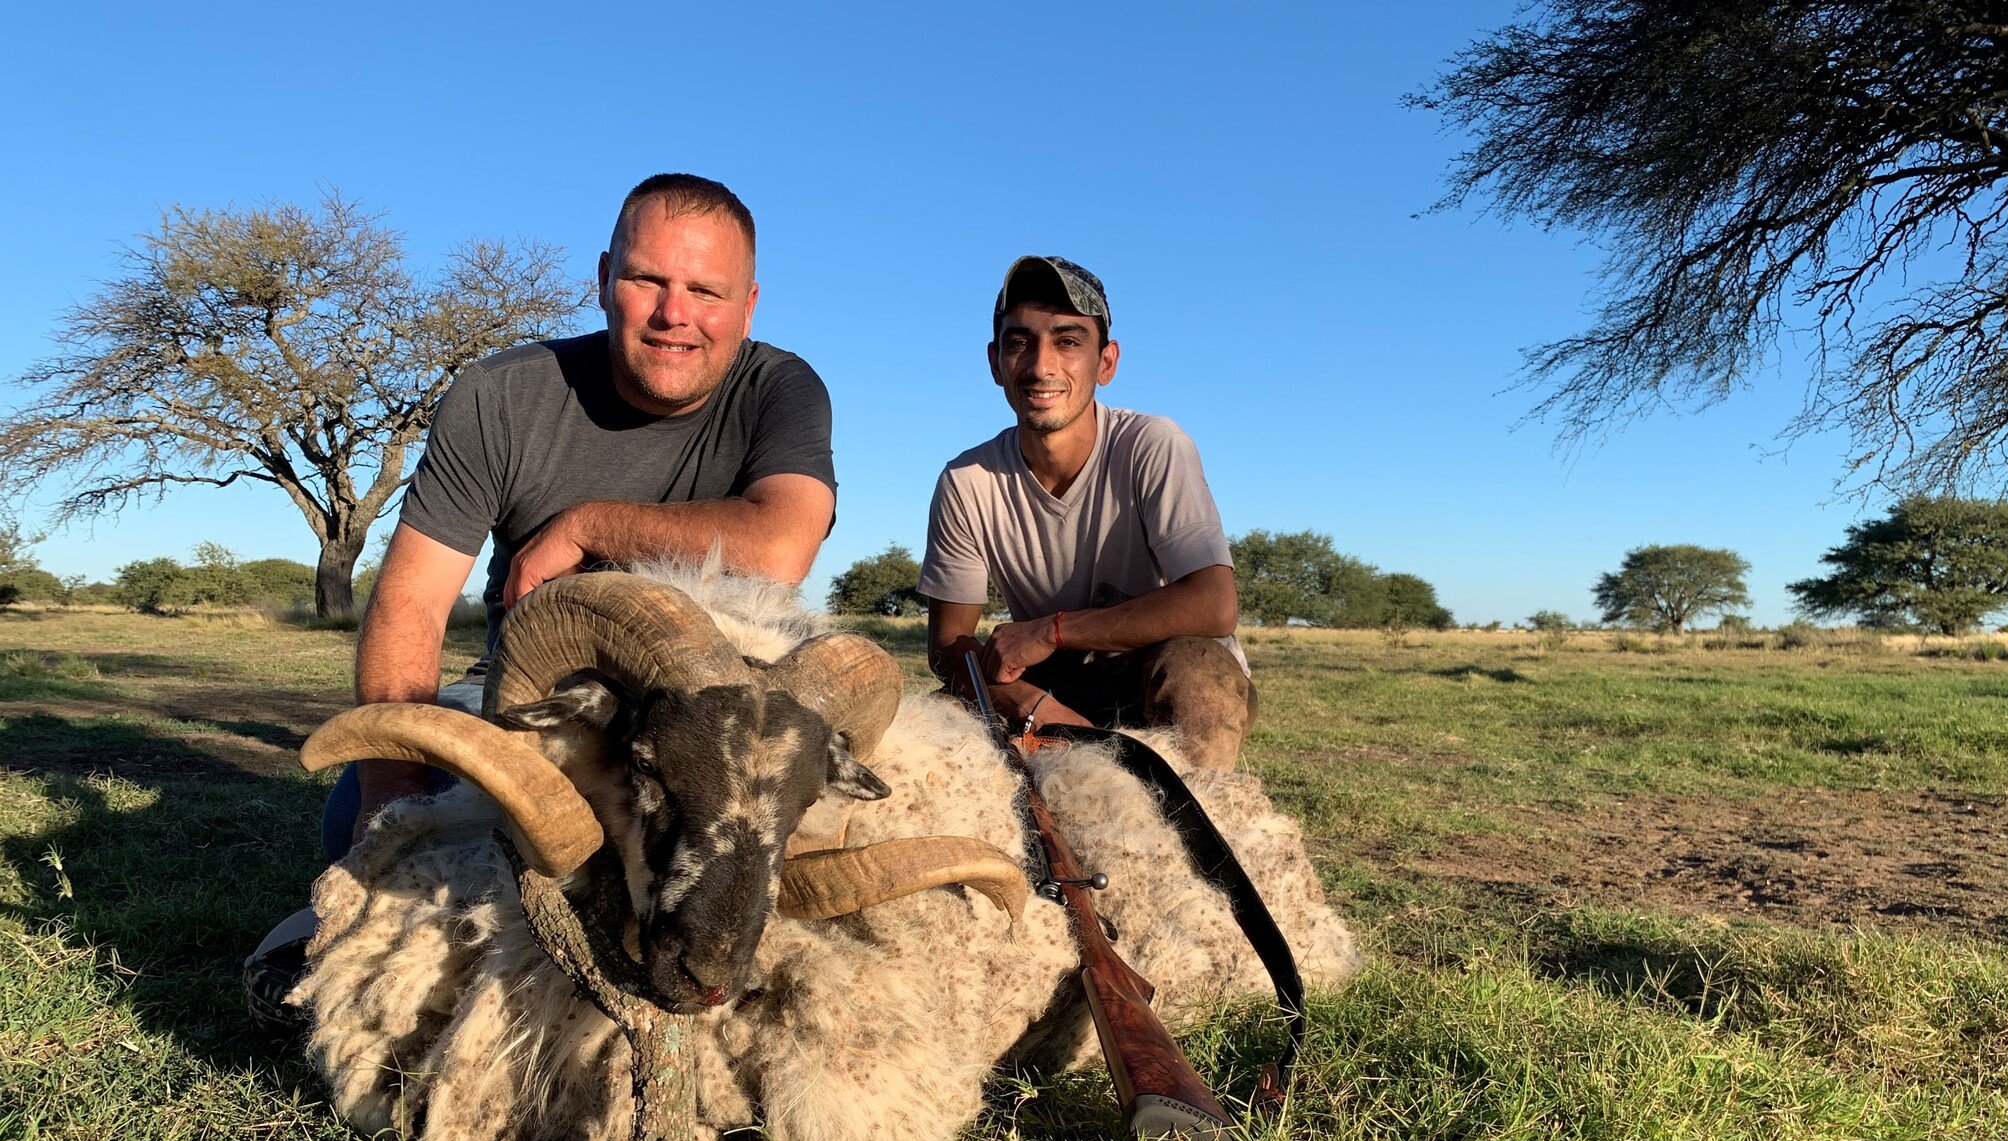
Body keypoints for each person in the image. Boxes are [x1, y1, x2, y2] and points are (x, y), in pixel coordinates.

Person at [246, 171, 837, 1022]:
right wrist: (393, 818)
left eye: (706, 290)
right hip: (543, 706)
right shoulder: (503, 395)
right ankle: (350, 931)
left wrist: (587, 525)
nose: (676, 314)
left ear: (747, 305)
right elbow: (410, 603)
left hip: (705, 730)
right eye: (647, 280)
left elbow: (780, 546)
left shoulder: (779, 390)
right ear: (604, 279)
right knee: (359, 814)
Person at [918, 255, 1256, 770]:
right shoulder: (967, 481)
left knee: (1200, 678)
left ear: (1106, 363)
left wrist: (1049, 630)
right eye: (1019, 342)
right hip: (1050, 682)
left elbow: (1214, 606)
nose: (1040, 367)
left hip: (1154, 667)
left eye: (1068, 341)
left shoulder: (1153, 445)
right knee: (935, 731)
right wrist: (1029, 703)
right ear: (994, 362)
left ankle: (1209, 818)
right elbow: (947, 646)